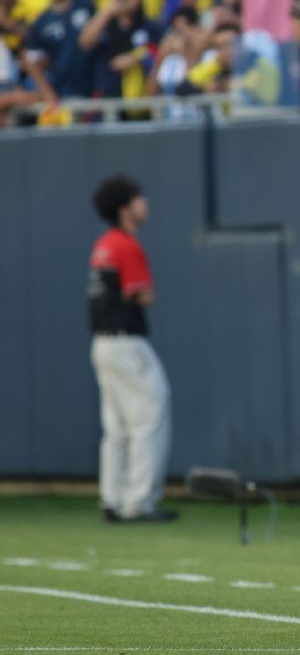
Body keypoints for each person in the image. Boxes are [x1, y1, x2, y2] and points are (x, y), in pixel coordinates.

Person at [89, 175, 175, 524]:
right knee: (150, 415)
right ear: (125, 208)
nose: (145, 204)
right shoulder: (125, 245)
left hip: (102, 344)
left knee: (117, 426)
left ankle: (113, 497)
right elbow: (142, 294)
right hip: (127, 343)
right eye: (139, 199)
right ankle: (139, 501)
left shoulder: (104, 243)